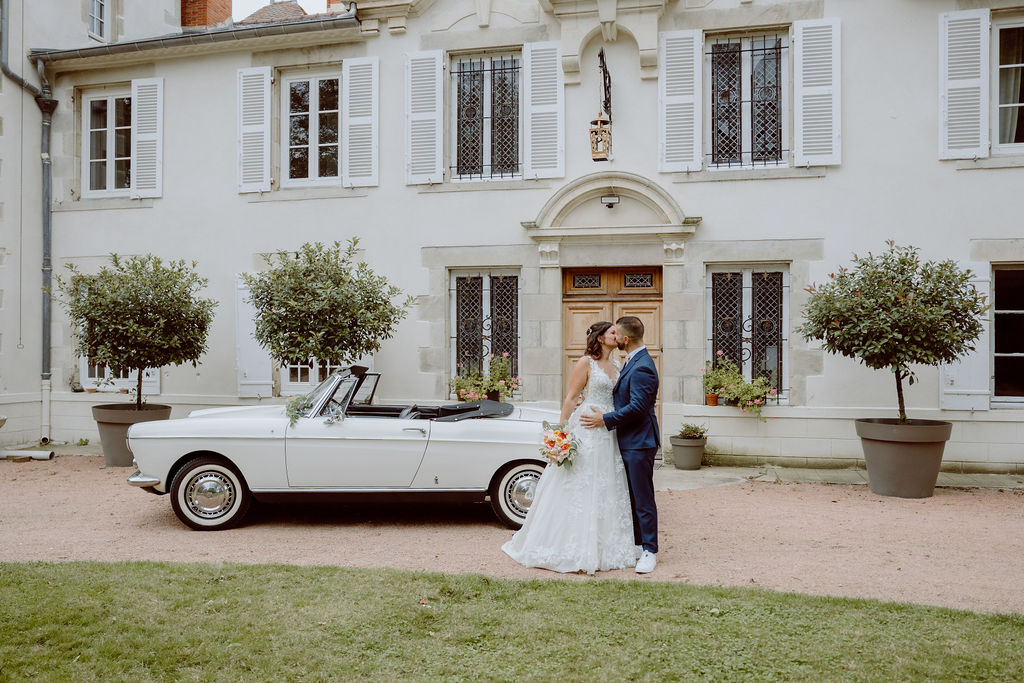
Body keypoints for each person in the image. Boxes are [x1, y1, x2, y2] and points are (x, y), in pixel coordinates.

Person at [502, 322, 638, 574]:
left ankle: (606, 546)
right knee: (581, 483)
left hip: (609, 429)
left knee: (607, 483)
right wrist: (560, 434)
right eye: (612, 332)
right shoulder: (586, 363)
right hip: (587, 427)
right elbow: (572, 398)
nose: (616, 335)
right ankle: (570, 545)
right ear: (599, 338)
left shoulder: (619, 365)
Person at [580, 315, 661, 574]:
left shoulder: (643, 366)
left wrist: (605, 419)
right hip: (624, 440)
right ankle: (638, 544)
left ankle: (650, 551)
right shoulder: (629, 361)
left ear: (626, 339)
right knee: (630, 497)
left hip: (639, 442)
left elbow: (638, 407)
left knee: (643, 498)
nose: (615, 338)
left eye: (618, 335)